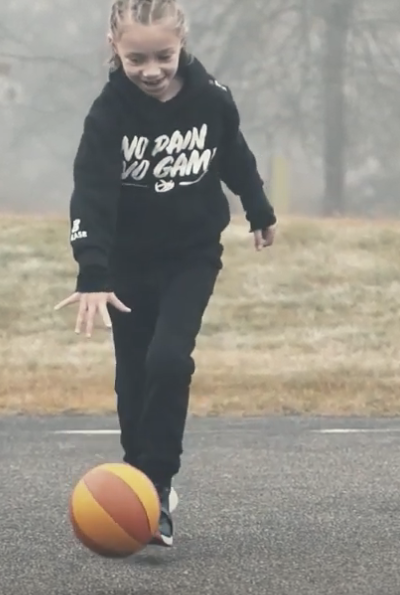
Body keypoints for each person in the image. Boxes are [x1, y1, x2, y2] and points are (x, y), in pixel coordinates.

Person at [55, 0, 277, 547]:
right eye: (136, 59)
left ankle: (156, 486)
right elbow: (92, 193)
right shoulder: (108, 115)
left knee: (169, 359)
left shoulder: (211, 98)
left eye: (163, 56)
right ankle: (138, 483)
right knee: (134, 373)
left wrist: (259, 208)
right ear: (115, 49)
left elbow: (235, 155)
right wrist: (93, 272)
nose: (151, 69)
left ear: (181, 43)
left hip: (190, 254)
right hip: (127, 264)